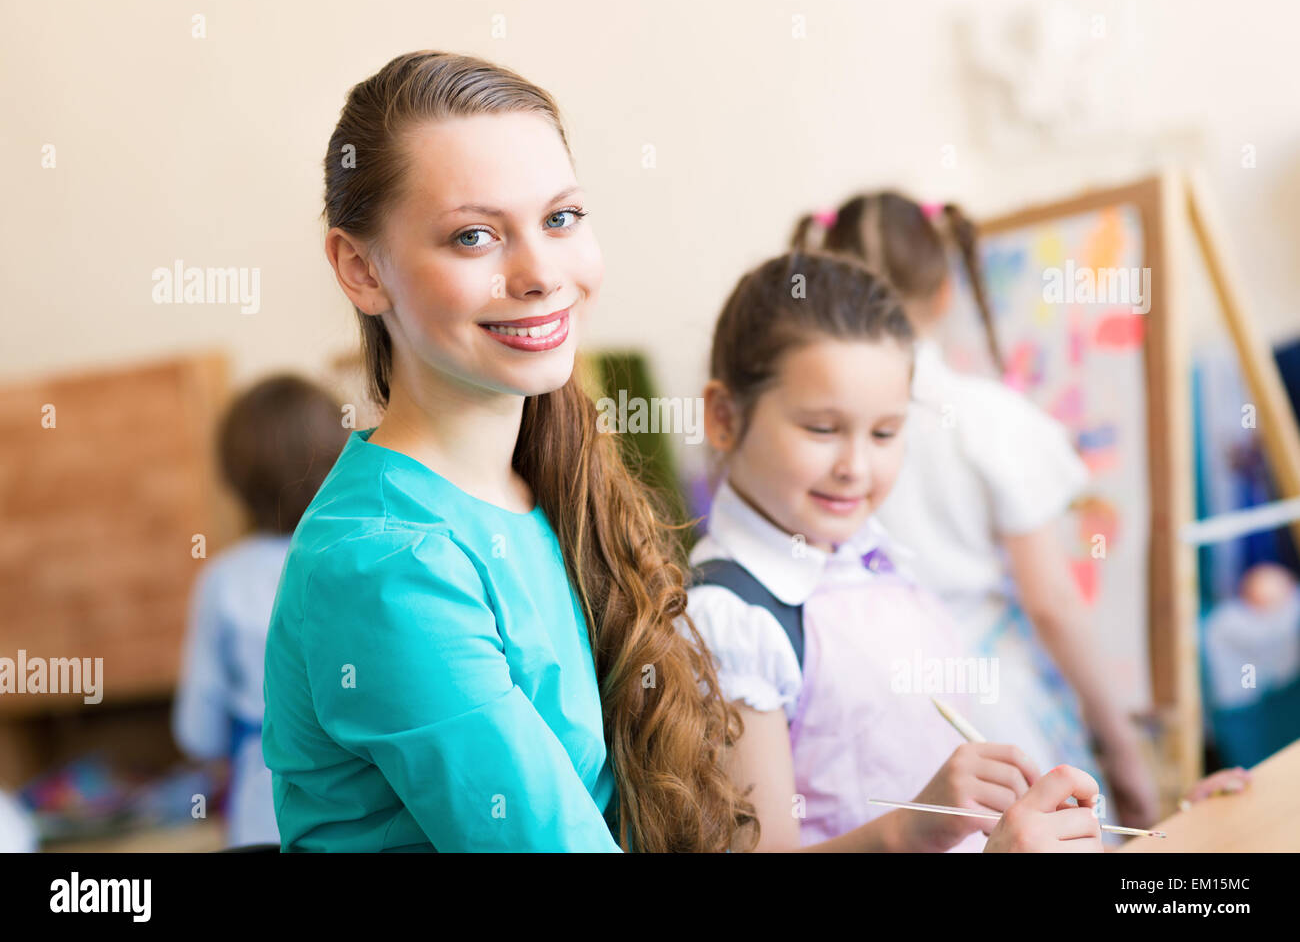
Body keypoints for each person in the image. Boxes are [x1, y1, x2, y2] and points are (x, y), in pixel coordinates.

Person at [260, 51, 754, 852]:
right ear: (361, 268)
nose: (538, 273)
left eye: (561, 219)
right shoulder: (384, 561)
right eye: (475, 236)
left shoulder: (546, 479)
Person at [686, 250, 1104, 851]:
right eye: (822, 429)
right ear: (724, 418)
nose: (856, 467)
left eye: (885, 433)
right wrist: (911, 826)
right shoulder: (730, 623)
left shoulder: (875, 558)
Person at [791, 191, 1161, 828]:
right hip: (996, 711)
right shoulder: (988, 420)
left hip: (862, 715)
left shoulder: (804, 425)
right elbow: (1052, 602)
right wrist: (1124, 751)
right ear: (943, 293)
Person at [173, 374, 347, 847]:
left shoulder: (224, 581)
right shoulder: (357, 558)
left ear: (234, 477)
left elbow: (197, 730)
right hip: (361, 818)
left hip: (262, 820)